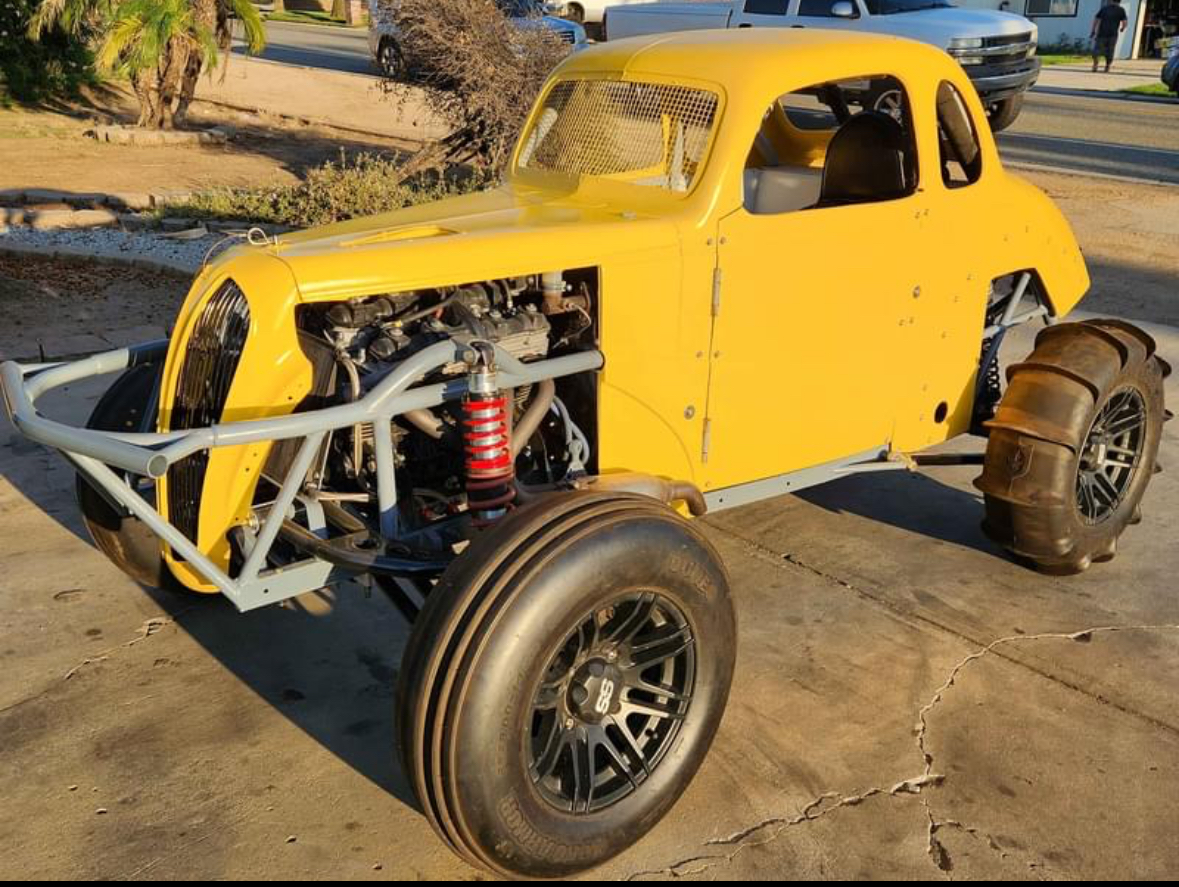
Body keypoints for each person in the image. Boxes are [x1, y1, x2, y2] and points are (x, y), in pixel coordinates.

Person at [1091, 0, 1128, 72]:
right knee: (1110, 51)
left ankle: (1095, 64)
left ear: (1111, 1)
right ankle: (1107, 66)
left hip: (1101, 33)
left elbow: (1096, 19)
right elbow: (1125, 22)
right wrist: (1122, 28)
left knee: (1097, 50)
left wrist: (1093, 30)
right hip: (1112, 34)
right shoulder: (1121, 10)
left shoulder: (1104, 9)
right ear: (1119, 2)